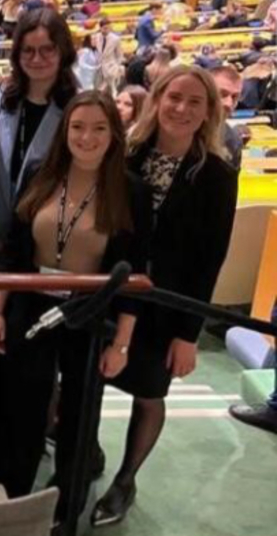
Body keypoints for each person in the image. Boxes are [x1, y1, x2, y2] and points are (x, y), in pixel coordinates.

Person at [0, 91, 151, 522]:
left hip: (90, 316)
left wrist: (123, 344)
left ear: (114, 133)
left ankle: (65, 509)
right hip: (32, 306)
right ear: (65, 131)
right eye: (77, 126)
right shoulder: (41, 173)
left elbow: (134, 274)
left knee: (78, 419)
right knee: (21, 407)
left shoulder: (131, 190)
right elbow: (15, 254)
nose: (87, 137)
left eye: (99, 128)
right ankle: (8, 497)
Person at [92, 66, 238, 527]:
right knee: (88, 379)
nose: (182, 108)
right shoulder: (128, 153)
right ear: (157, 99)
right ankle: (85, 453)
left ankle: (126, 479)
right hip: (113, 293)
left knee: (150, 391)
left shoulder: (216, 174)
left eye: (195, 102)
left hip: (168, 304)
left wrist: (188, 335)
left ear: (209, 112)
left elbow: (209, 258)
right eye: (174, 97)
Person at [0, 7, 78, 475]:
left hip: (46, 257)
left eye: (46, 50)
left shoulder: (78, 109)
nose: (37, 59)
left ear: (63, 54)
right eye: (28, 50)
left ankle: (29, 437)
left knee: (35, 362)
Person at [208, 65, 245, 170]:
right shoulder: (173, 132)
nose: (228, 104)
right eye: (222, 94)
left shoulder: (233, 140)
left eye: (234, 97)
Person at [91, 18, 123, 95]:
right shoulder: (96, 37)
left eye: (108, 28)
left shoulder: (116, 39)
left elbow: (119, 55)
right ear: (100, 28)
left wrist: (117, 67)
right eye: (105, 28)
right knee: (97, 88)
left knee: (112, 89)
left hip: (111, 67)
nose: (107, 30)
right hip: (98, 67)